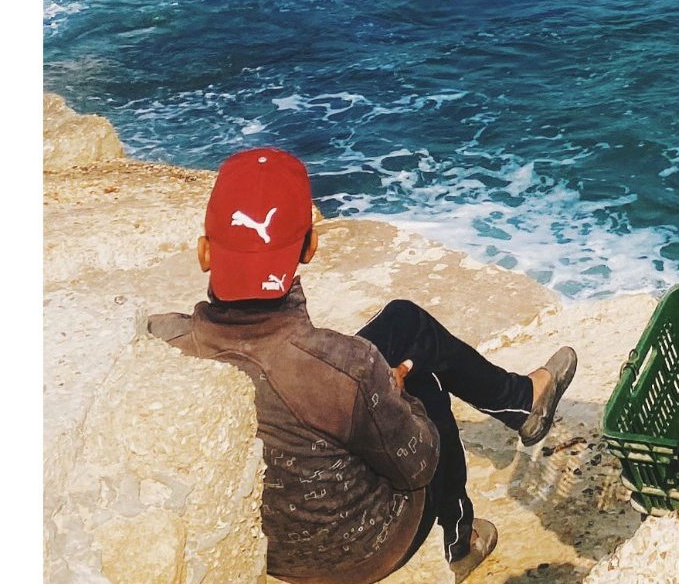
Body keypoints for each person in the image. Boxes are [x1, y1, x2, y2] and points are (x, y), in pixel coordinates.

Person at [150, 147, 579, 584]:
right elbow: (419, 464)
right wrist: (394, 397)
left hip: (272, 545)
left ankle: (520, 402)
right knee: (425, 380)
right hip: (365, 548)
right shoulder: (348, 369)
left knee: (404, 323)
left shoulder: (163, 343)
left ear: (205, 252)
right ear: (310, 248)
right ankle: (462, 538)